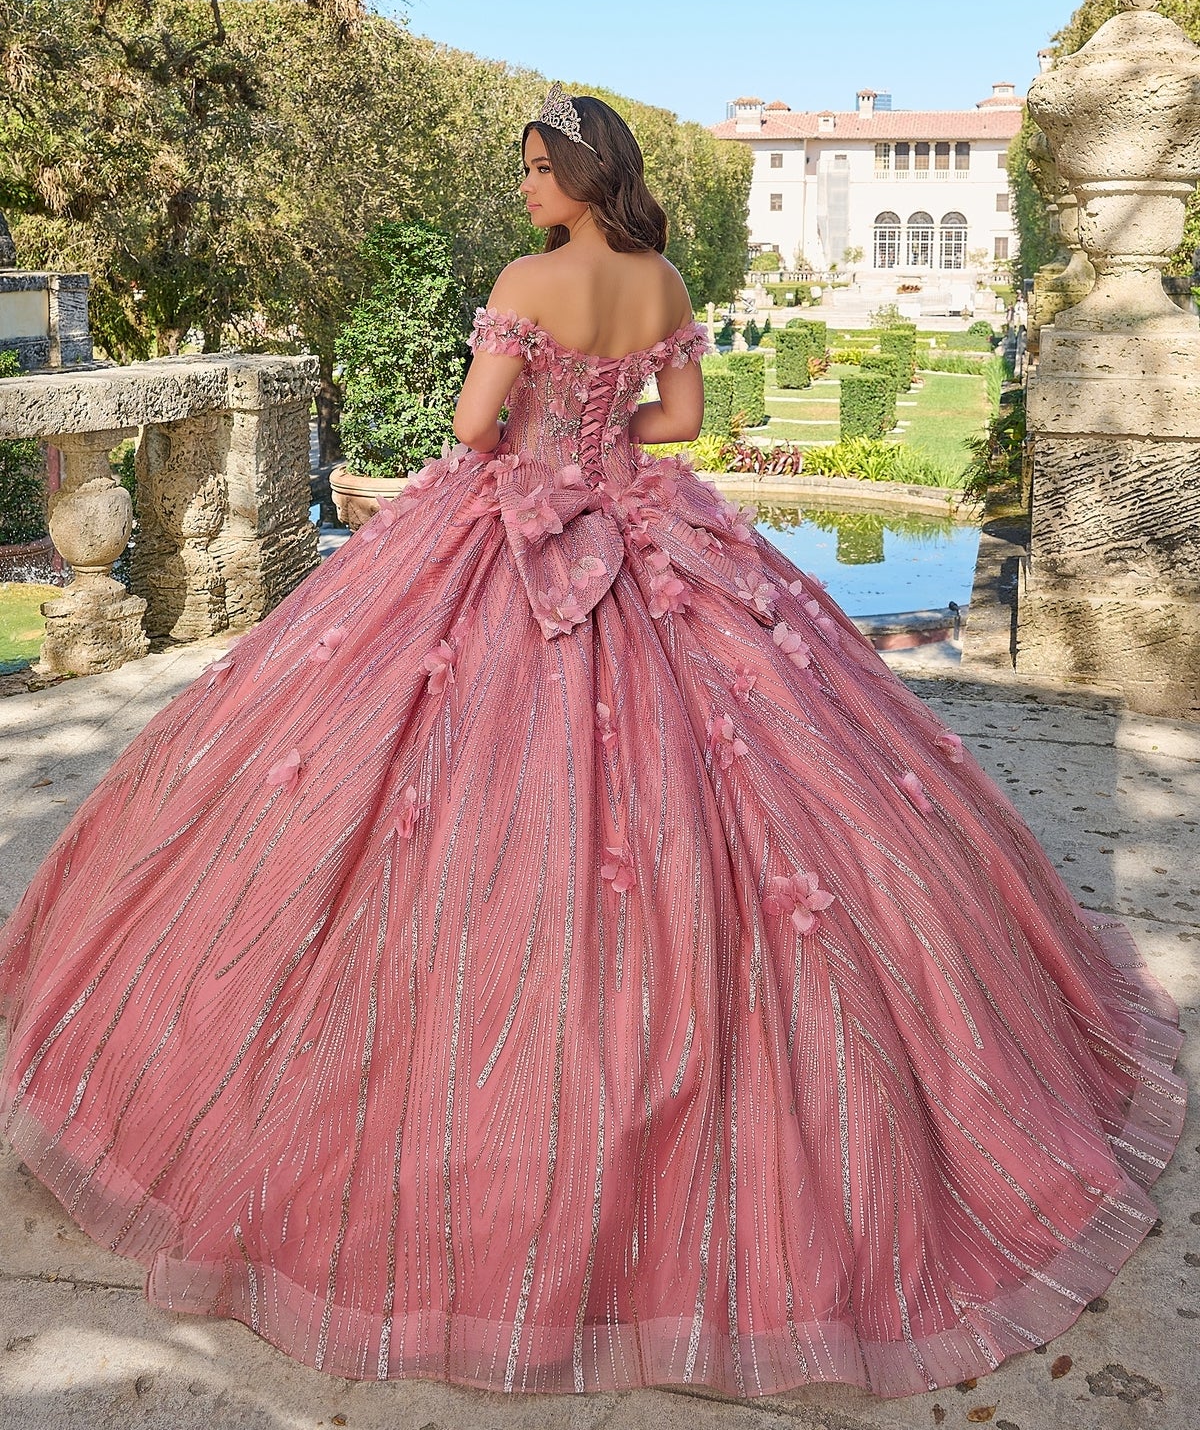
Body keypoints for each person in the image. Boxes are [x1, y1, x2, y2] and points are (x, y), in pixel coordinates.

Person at [0, 89, 1184, 1401]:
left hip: (508, 523)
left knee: (409, 793)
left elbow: (470, 427)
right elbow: (675, 423)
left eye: (532, 169)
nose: (522, 190)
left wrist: (533, 449)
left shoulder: (529, 277)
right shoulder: (663, 274)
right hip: (649, 525)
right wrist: (601, 440)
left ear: (575, 172)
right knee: (777, 785)